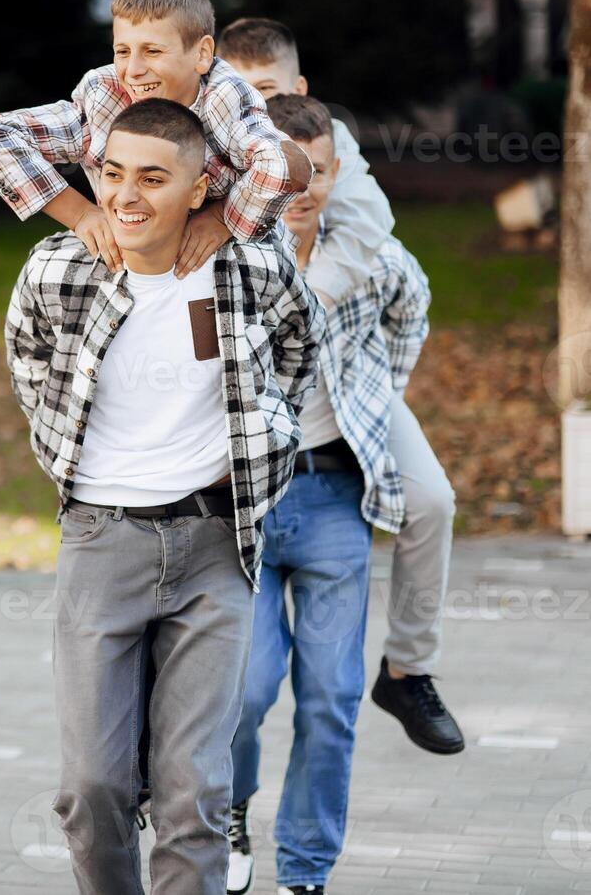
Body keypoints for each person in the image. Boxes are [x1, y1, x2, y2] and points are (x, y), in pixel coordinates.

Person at [4, 97, 322, 895]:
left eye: (153, 177)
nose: (126, 195)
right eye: (112, 174)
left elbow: (299, 343)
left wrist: (256, 443)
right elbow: (29, 363)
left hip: (216, 547)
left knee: (195, 796)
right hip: (101, 543)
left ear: (200, 187)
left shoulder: (248, 265)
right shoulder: (56, 269)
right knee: (93, 789)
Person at [218, 18, 465, 758]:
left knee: (432, 500)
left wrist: (373, 386)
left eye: (267, 93)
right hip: (241, 411)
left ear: (299, 91)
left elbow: (385, 258)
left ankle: (407, 669)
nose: (254, 110)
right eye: (238, 94)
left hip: (347, 378)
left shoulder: (332, 146)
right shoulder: (217, 147)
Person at [226, 94, 432, 895]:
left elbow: (412, 315)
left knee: (332, 695)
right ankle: (231, 812)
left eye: (318, 171)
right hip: (248, 504)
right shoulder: (235, 258)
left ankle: (306, 870)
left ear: (336, 171)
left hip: (334, 498)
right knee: (240, 690)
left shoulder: (373, 260)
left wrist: (377, 406)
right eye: (290, 170)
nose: (304, 185)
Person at [0, 0, 313, 278]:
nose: (134, 69)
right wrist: (81, 215)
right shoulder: (104, 96)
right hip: (131, 258)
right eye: (123, 51)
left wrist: (222, 218)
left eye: (153, 51)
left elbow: (288, 166)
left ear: (202, 54)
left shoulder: (225, 97)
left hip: (217, 264)